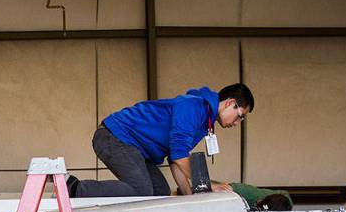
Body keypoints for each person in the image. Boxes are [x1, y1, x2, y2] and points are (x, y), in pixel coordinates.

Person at [71, 83, 254, 198]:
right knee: (141, 190)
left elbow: (176, 159)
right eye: (239, 116)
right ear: (230, 103)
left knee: (160, 192)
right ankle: (74, 188)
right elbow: (180, 155)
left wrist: (191, 198)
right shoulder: (193, 107)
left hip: (136, 149)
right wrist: (207, 186)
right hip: (115, 136)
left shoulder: (205, 120)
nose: (237, 123)